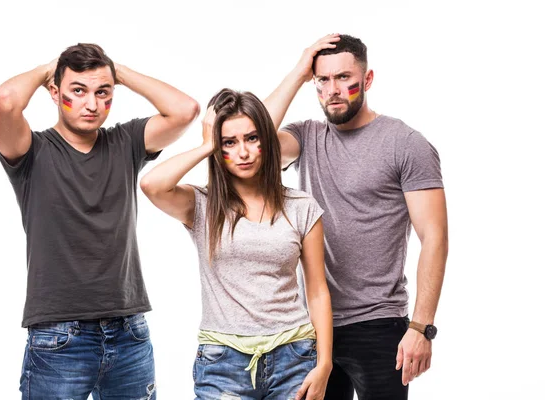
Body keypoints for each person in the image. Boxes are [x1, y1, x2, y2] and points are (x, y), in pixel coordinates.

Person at [0, 43, 199, 399]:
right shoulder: (31, 151)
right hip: (59, 336)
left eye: (103, 92)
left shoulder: (126, 142)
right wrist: (47, 69)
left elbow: (185, 110)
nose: (91, 104)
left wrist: (117, 72)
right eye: (77, 91)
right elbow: (4, 102)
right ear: (55, 92)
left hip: (129, 330)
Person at [263, 34, 449, 400]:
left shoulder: (404, 143)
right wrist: (298, 71)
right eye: (322, 80)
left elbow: (435, 236)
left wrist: (422, 327)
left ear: (367, 80)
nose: (332, 89)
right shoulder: (306, 136)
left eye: (343, 77)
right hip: (314, 327)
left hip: (379, 324)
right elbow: (251, 137)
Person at [140, 88, 333, 400]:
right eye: (229, 142)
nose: (242, 152)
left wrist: (324, 363)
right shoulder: (202, 204)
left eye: (252, 138)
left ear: (266, 141)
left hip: (294, 357)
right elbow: (151, 185)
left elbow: (318, 290)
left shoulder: (301, 206)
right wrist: (206, 145)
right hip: (222, 362)